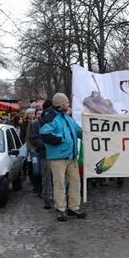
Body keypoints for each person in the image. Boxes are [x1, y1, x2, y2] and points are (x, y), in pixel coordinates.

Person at [40, 93, 86, 221]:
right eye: (66, 102)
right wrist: (60, 139)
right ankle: (60, 209)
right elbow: (44, 134)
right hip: (57, 158)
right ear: (60, 105)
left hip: (71, 157)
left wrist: (87, 133)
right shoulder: (51, 118)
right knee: (59, 184)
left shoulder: (68, 118)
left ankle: (73, 207)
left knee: (75, 182)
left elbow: (77, 131)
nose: (68, 104)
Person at [29, 100, 54, 209]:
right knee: (46, 177)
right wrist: (46, 144)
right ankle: (48, 200)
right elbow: (33, 139)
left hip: (58, 154)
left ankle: (59, 198)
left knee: (57, 178)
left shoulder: (56, 121)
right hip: (45, 154)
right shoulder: (36, 124)